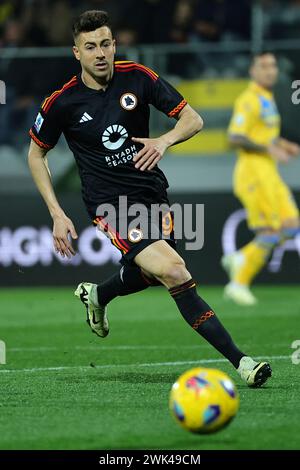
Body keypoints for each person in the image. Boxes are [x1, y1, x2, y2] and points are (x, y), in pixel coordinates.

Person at [28, 10, 271, 387]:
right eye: (90, 47)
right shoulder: (62, 102)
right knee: (174, 271)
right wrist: (57, 213)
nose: (100, 53)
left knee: (154, 273)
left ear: (114, 45)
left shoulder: (138, 77)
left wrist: (164, 140)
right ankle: (242, 362)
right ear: (76, 53)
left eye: (105, 44)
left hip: (153, 194)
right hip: (110, 204)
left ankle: (98, 294)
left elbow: (193, 119)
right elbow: (35, 153)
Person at [223, 51, 300, 306]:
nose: (270, 71)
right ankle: (238, 284)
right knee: (271, 230)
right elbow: (235, 137)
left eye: (273, 66)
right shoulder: (249, 99)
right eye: (264, 66)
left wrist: (283, 144)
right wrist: (269, 148)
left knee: (291, 225)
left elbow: (263, 135)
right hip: (253, 173)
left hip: (270, 172)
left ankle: (240, 257)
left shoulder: (268, 98)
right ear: (252, 71)